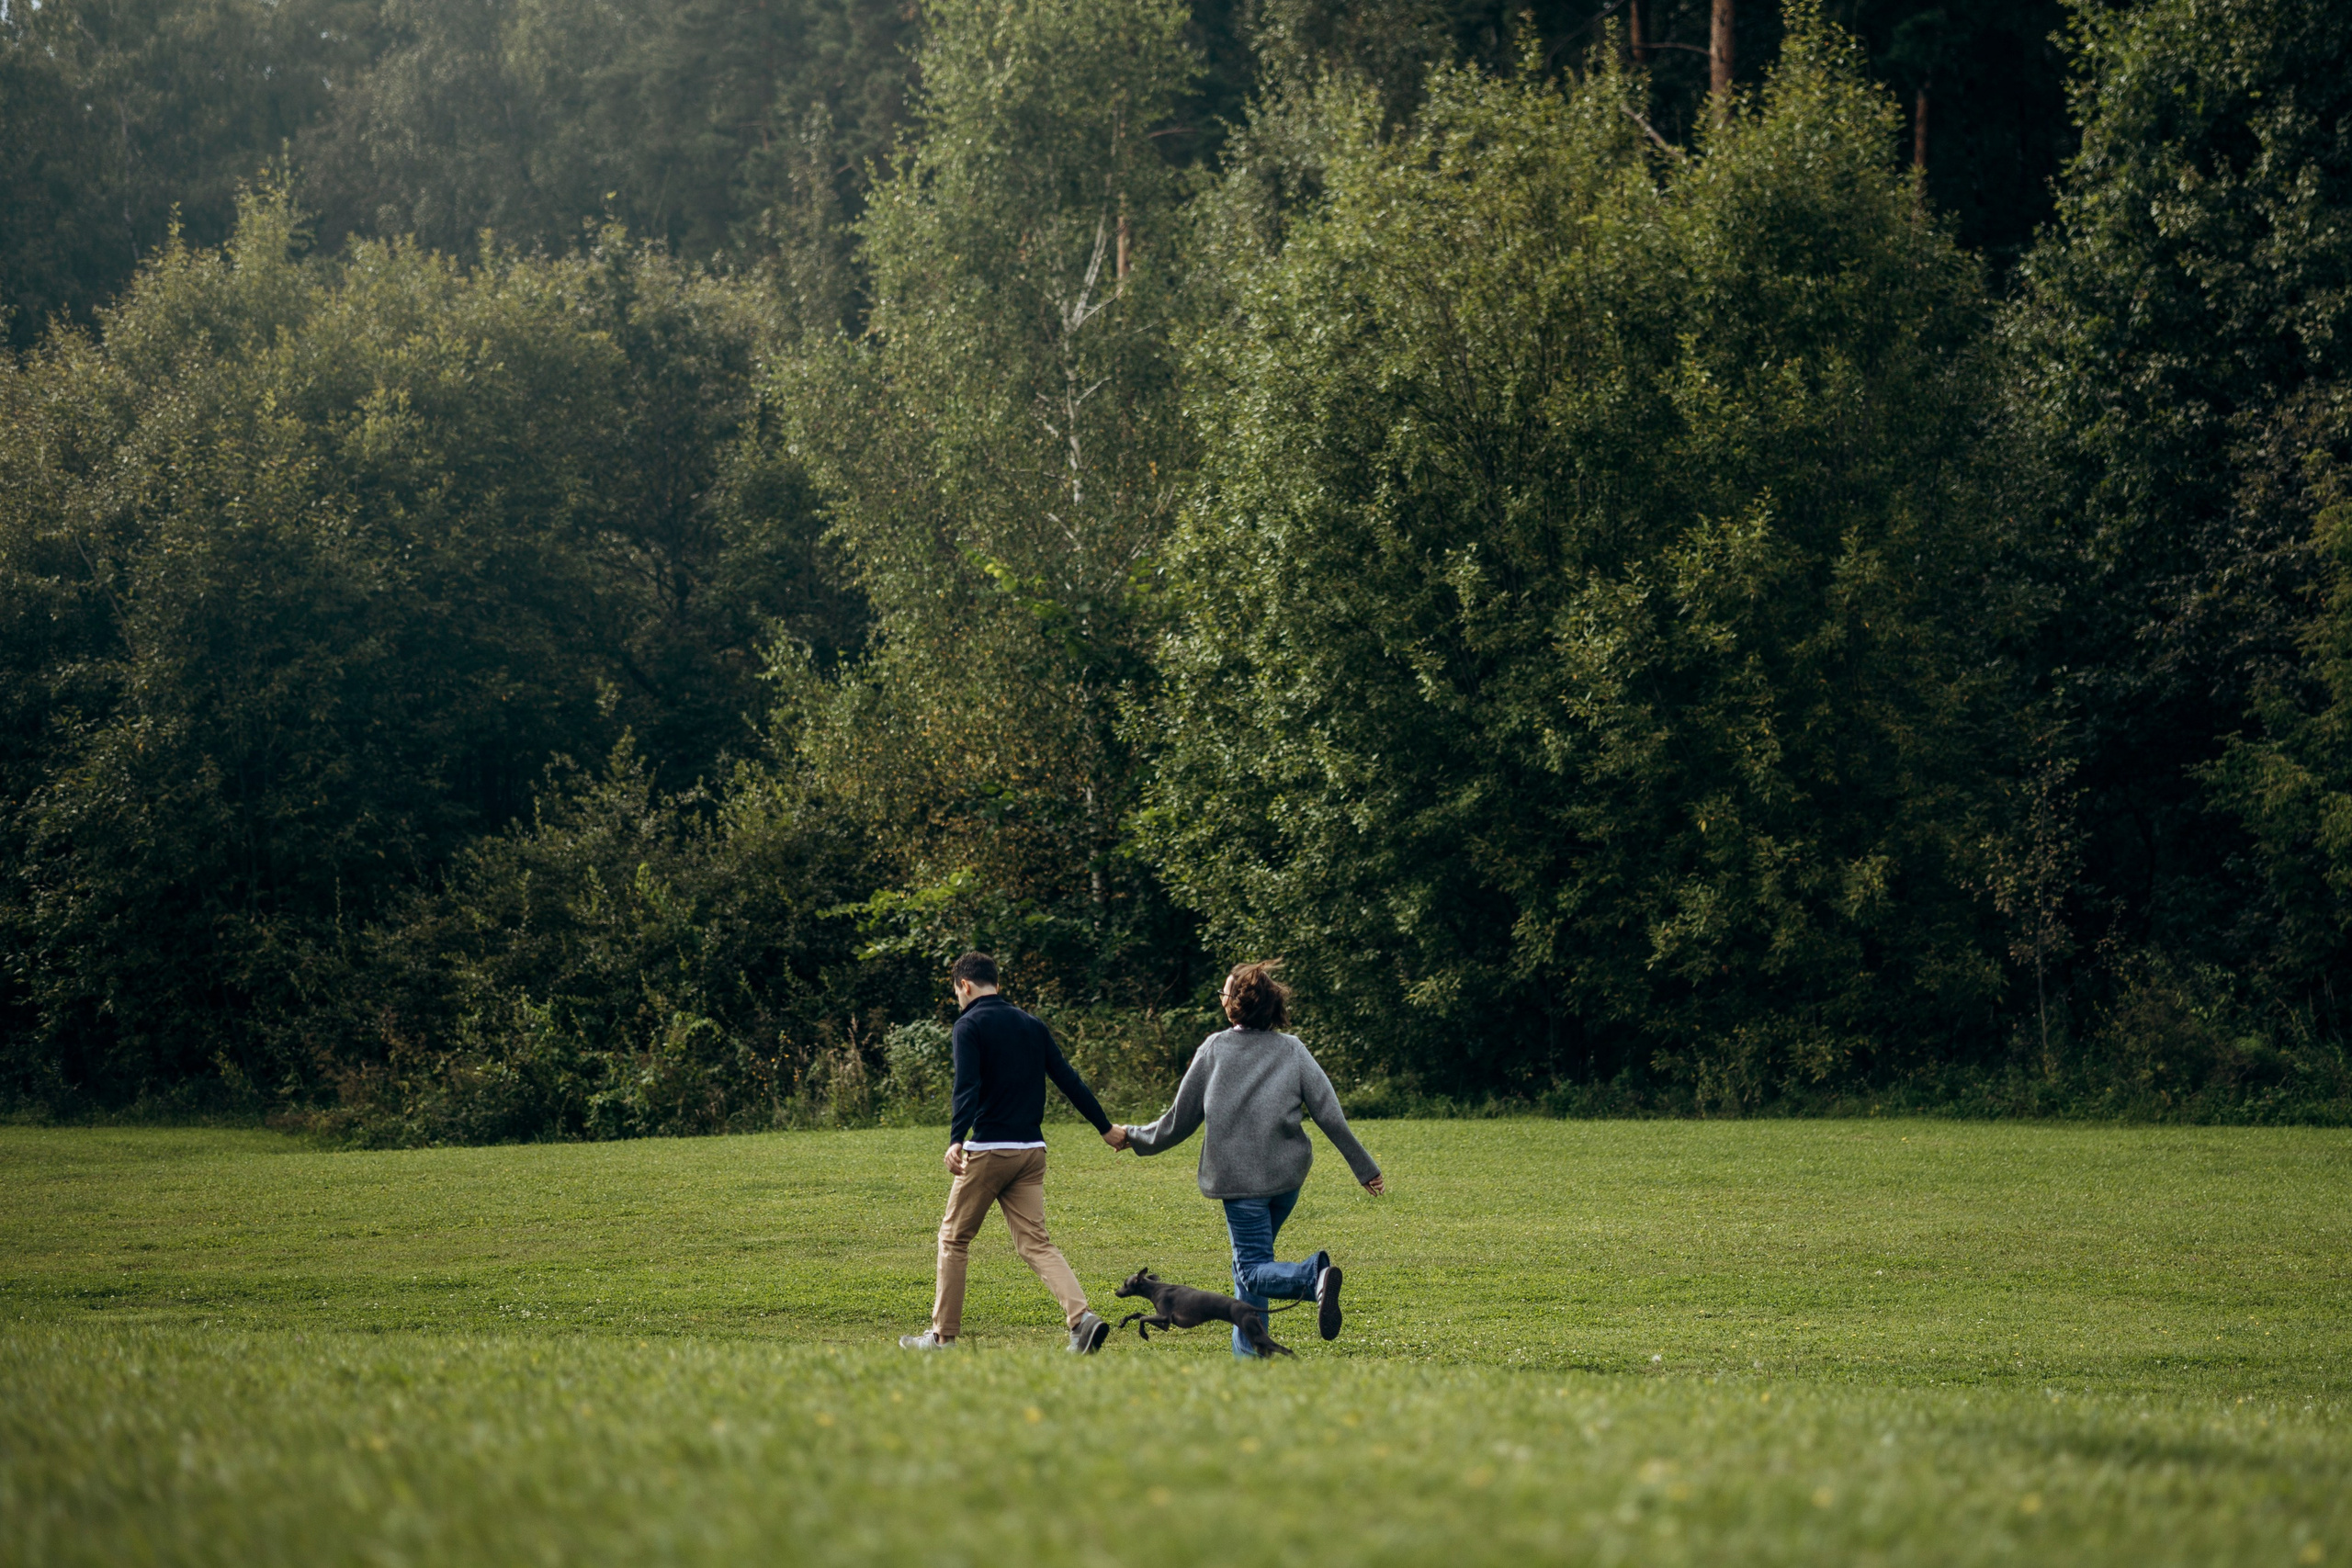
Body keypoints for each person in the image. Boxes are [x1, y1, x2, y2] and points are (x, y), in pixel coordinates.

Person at [1110, 961, 1384, 1357]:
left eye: (1224, 993)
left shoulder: (1215, 1049)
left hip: (1242, 1187)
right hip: (1286, 1182)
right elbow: (1330, 1115)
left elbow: (1177, 1122)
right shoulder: (1293, 1050)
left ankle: (1314, 1277)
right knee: (1251, 1266)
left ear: (1235, 1004)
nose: (1222, 999)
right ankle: (1252, 1357)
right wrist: (1365, 1168)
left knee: (1252, 1269)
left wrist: (1133, 1137)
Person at [900, 951, 1122, 1354]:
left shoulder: (968, 1025)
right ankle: (1082, 1318)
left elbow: (966, 1085)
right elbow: (1068, 1080)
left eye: (957, 992)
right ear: (996, 983)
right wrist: (1104, 1128)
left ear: (964, 985)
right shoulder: (1031, 1024)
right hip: (1031, 1152)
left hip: (989, 1151)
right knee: (1035, 1243)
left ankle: (942, 1338)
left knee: (953, 1239)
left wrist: (956, 1138)